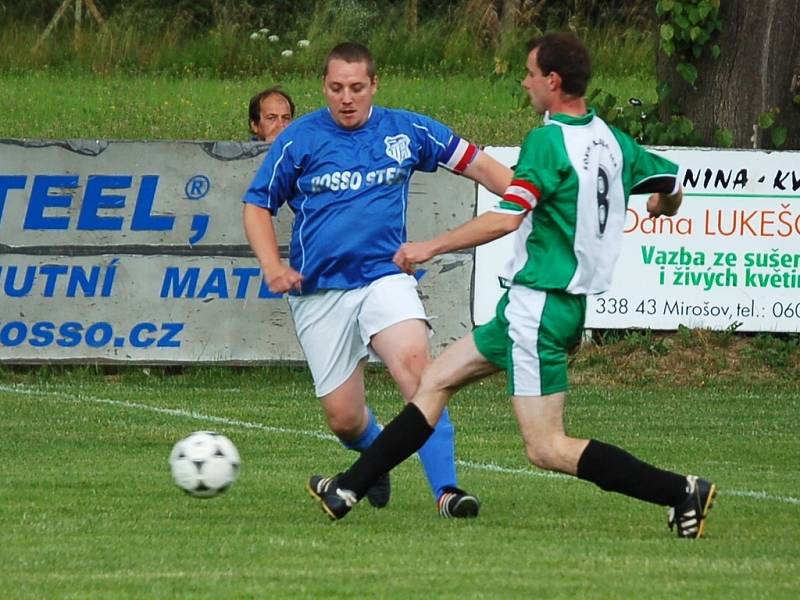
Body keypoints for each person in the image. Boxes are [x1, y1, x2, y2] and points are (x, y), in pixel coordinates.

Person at [310, 32, 718, 539]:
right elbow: (672, 183)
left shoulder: (548, 141)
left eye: (529, 73)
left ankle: (680, 491)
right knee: (435, 381)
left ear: (552, 81)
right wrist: (662, 206)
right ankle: (347, 489)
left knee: (546, 448)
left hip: (539, 310)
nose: (524, 82)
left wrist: (428, 247)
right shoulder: (612, 141)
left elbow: (506, 219)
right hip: (539, 306)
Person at [243, 42, 513, 518]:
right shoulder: (298, 139)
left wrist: (530, 194)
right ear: (323, 87)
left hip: (385, 277)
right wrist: (271, 265)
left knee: (417, 371)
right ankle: (374, 459)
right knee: (344, 420)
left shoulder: (407, 130)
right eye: (335, 88)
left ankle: (447, 492)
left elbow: (484, 168)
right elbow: (257, 206)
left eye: (356, 88)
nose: (346, 98)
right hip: (319, 291)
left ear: (374, 86)